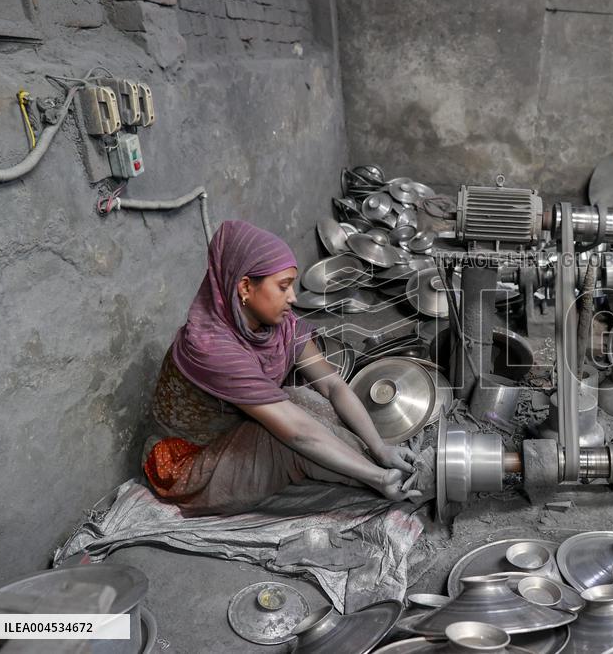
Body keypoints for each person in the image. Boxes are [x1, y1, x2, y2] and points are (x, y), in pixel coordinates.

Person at [142, 219, 421, 516]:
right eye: (283, 287)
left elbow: (332, 385)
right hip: (187, 464)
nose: (293, 298)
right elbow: (299, 434)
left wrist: (379, 448)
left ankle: (376, 469)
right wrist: (377, 478)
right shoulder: (212, 349)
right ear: (245, 287)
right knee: (288, 443)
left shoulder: (280, 325)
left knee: (311, 403)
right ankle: (383, 481)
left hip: (235, 431)